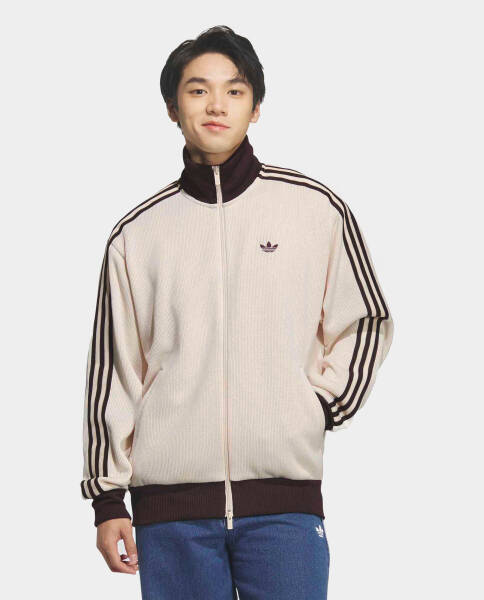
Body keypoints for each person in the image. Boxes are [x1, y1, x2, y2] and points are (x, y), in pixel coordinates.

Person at [80, 25, 394, 600]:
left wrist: (319, 405)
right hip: (170, 514)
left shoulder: (315, 209)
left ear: (256, 107)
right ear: (172, 108)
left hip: (285, 507)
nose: (217, 105)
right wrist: (107, 499)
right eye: (198, 90)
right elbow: (114, 371)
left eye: (235, 90)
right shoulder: (136, 235)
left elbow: (366, 319)